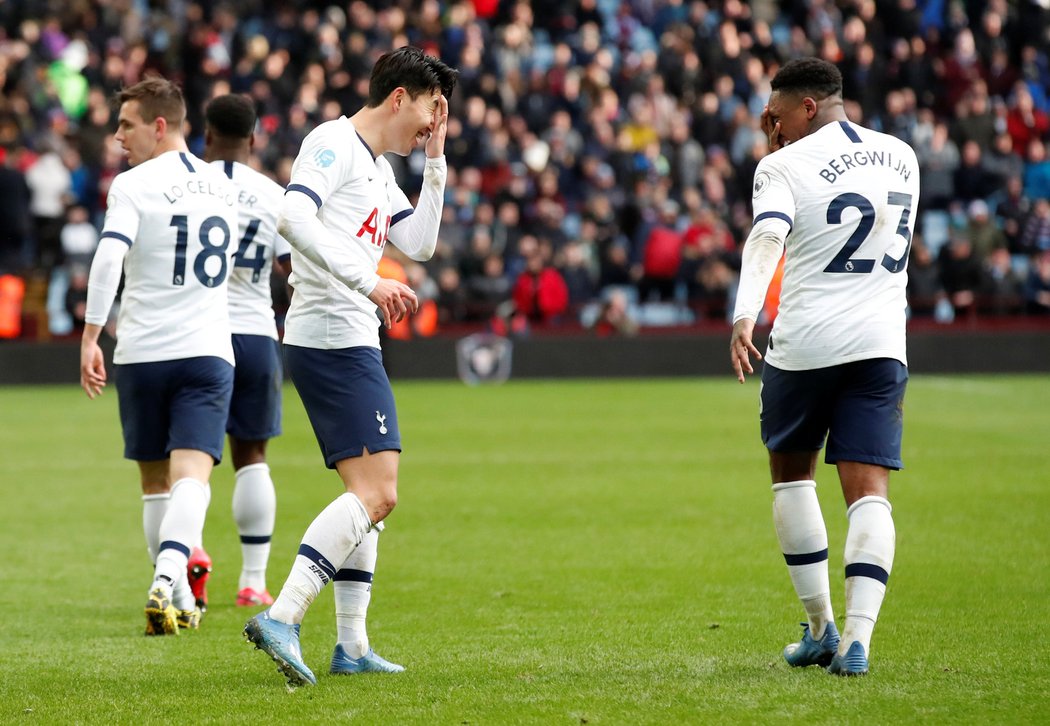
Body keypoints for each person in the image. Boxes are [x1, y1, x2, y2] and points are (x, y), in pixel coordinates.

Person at [243, 46, 458, 686]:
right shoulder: (333, 145)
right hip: (334, 334)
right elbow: (292, 215)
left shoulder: (378, 166)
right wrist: (367, 282)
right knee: (379, 492)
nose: (430, 119)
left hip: (347, 335)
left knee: (365, 497)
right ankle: (283, 616)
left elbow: (419, 243)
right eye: (428, 107)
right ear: (399, 97)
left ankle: (353, 646)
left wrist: (436, 158)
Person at [729, 58, 919, 677]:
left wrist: (743, 315)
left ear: (807, 107)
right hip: (882, 343)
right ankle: (858, 642)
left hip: (808, 343)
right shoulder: (903, 155)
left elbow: (768, 236)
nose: (772, 128)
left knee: (792, 476)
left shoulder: (780, 164)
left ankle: (820, 629)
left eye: (778, 116)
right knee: (870, 492)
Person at [79, 76, 239, 635]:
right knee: (193, 474)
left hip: (143, 352)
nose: (118, 136)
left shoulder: (132, 186)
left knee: (155, 483)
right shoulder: (223, 185)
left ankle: (169, 584)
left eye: (126, 124)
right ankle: (175, 576)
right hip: (207, 352)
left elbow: (107, 260)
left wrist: (90, 336)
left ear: (160, 125)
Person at [186, 93, 292, 611]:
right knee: (252, 459)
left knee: (190, 460)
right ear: (254, 139)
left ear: (205, 134)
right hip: (253, 334)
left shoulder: (183, 187)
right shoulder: (274, 195)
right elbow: (295, 269)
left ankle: (192, 555)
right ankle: (253, 581)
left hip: (196, 333)